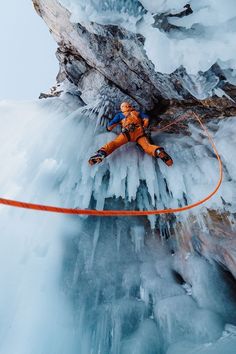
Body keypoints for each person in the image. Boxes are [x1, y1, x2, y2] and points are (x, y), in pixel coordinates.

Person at [88, 102, 173, 166]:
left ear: (122, 108)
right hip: (140, 134)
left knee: (114, 144)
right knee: (147, 147)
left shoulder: (120, 115)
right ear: (130, 106)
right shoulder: (137, 113)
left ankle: (102, 153)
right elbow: (146, 118)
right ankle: (158, 151)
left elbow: (110, 126)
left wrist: (110, 127)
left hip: (127, 134)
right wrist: (144, 126)